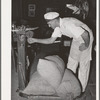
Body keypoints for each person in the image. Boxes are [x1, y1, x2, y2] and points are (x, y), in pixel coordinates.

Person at [27, 12, 94, 92]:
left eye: (49, 23)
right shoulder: (58, 27)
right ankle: (70, 83)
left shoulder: (68, 24)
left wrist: (86, 45)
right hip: (77, 38)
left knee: (83, 65)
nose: (49, 26)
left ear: (55, 20)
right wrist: (35, 40)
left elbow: (85, 34)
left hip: (87, 38)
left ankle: (81, 90)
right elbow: (50, 40)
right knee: (72, 61)